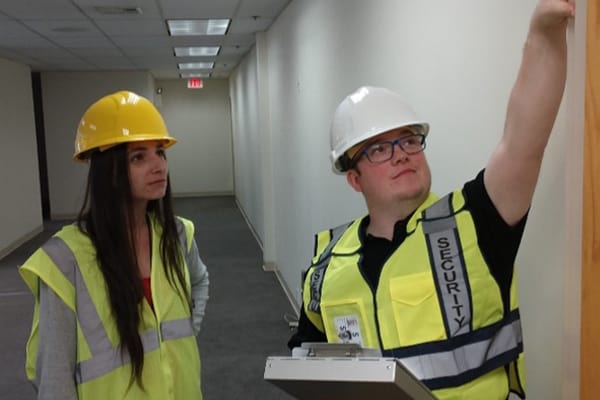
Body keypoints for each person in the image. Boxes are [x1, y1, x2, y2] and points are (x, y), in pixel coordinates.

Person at [288, 0, 574, 398]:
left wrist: (543, 32)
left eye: (408, 139)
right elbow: (308, 358)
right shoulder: (325, 266)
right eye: (378, 149)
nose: (402, 153)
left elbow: (522, 141)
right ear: (354, 179)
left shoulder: (476, 223)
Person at [20, 90, 210, 399]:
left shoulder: (176, 234)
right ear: (108, 170)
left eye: (160, 152)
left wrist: (184, 331)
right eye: (138, 156)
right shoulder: (65, 259)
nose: (158, 166)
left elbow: (199, 280)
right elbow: (54, 375)